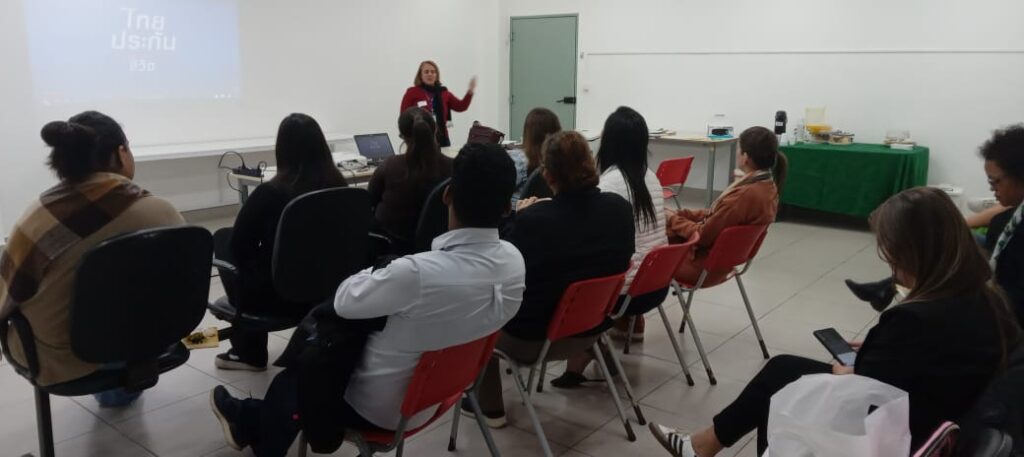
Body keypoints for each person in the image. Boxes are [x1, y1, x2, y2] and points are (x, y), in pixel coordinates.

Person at [648, 187, 1023, 457]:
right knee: (783, 372)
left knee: (788, 390)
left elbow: (870, 389)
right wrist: (877, 355)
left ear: (914, 252)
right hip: (947, 415)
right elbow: (926, 365)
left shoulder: (916, 317)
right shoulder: (986, 296)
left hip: (909, 431)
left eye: (890, 251)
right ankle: (703, 445)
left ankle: (703, 446)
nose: (887, 262)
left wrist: (849, 374)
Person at [209, 143, 525, 456]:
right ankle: (249, 417)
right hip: (442, 393)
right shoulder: (514, 264)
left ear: (448, 195)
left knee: (305, 366)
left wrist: (378, 270)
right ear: (507, 207)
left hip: (381, 410)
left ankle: (253, 422)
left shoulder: (416, 275)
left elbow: (345, 299)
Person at [0, 111, 184, 407]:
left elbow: (8, 294)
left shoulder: (38, 218)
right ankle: (122, 383)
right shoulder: (162, 211)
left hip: (62, 359)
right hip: (154, 342)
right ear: (121, 153)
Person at [473, 131, 635, 426]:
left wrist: (517, 217)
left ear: (548, 176)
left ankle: (490, 407)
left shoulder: (533, 222)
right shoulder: (620, 209)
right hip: (593, 327)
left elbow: (500, 265)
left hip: (532, 340)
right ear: (589, 163)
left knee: (477, 316)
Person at [214, 113, 349, 371]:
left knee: (224, 240)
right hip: (329, 287)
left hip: (278, 294)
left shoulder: (271, 193)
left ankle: (248, 351)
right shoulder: (340, 187)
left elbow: (239, 247)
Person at [847, 125, 1024, 319]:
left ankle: (890, 287)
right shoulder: (1009, 215)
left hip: (1003, 319)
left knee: (933, 242)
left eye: (994, 181)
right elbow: (1002, 210)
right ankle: (890, 286)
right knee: (935, 237)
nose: (992, 189)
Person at [553, 107, 668, 387]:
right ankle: (587, 353)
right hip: (655, 285)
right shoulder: (650, 176)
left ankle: (589, 348)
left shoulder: (609, 184)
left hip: (624, 293)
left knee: (562, 279)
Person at [666, 126, 786, 285]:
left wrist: (674, 219)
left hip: (701, 268)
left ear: (745, 157)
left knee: (648, 246)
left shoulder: (744, 195)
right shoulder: (767, 187)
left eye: (738, 149)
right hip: (723, 265)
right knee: (666, 229)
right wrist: (683, 214)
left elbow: (702, 236)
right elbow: (718, 215)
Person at [368, 108, 454, 253]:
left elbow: (368, 204)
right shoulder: (453, 168)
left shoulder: (388, 167)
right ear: (435, 130)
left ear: (402, 136)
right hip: (441, 250)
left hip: (393, 253)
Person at [399, 60, 476, 147]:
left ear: (436, 75)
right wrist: (408, 138)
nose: (430, 74)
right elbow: (403, 117)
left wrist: (470, 92)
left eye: (433, 72)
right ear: (420, 75)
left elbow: (461, 106)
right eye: (426, 72)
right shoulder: (412, 92)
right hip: (419, 140)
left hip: (442, 139)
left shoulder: (444, 93)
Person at [507, 107, 562, 200]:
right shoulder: (561, 160)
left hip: (519, 210)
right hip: (548, 210)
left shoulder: (518, 160)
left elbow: (499, 190)